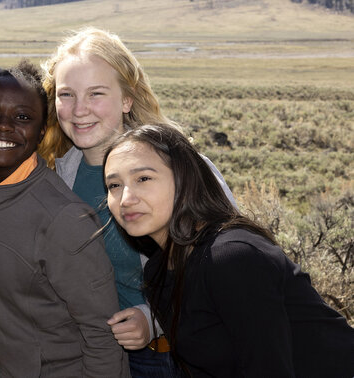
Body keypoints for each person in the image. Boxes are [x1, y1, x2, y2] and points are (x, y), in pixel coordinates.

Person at [37, 27, 234, 377]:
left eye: (96, 93)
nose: (79, 110)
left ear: (127, 99)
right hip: (99, 357)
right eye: (67, 94)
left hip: (177, 353)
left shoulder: (180, 167)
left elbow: (230, 266)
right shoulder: (57, 176)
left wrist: (152, 319)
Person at [103, 124, 354, 377]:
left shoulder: (231, 258)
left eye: (143, 179)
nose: (125, 199)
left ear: (184, 178)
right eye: (114, 185)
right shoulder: (159, 271)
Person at [0, 62, 128, 376]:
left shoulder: (64, 219)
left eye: (22, 117)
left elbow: (101, 334)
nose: (4, 126)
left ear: (41, 132)